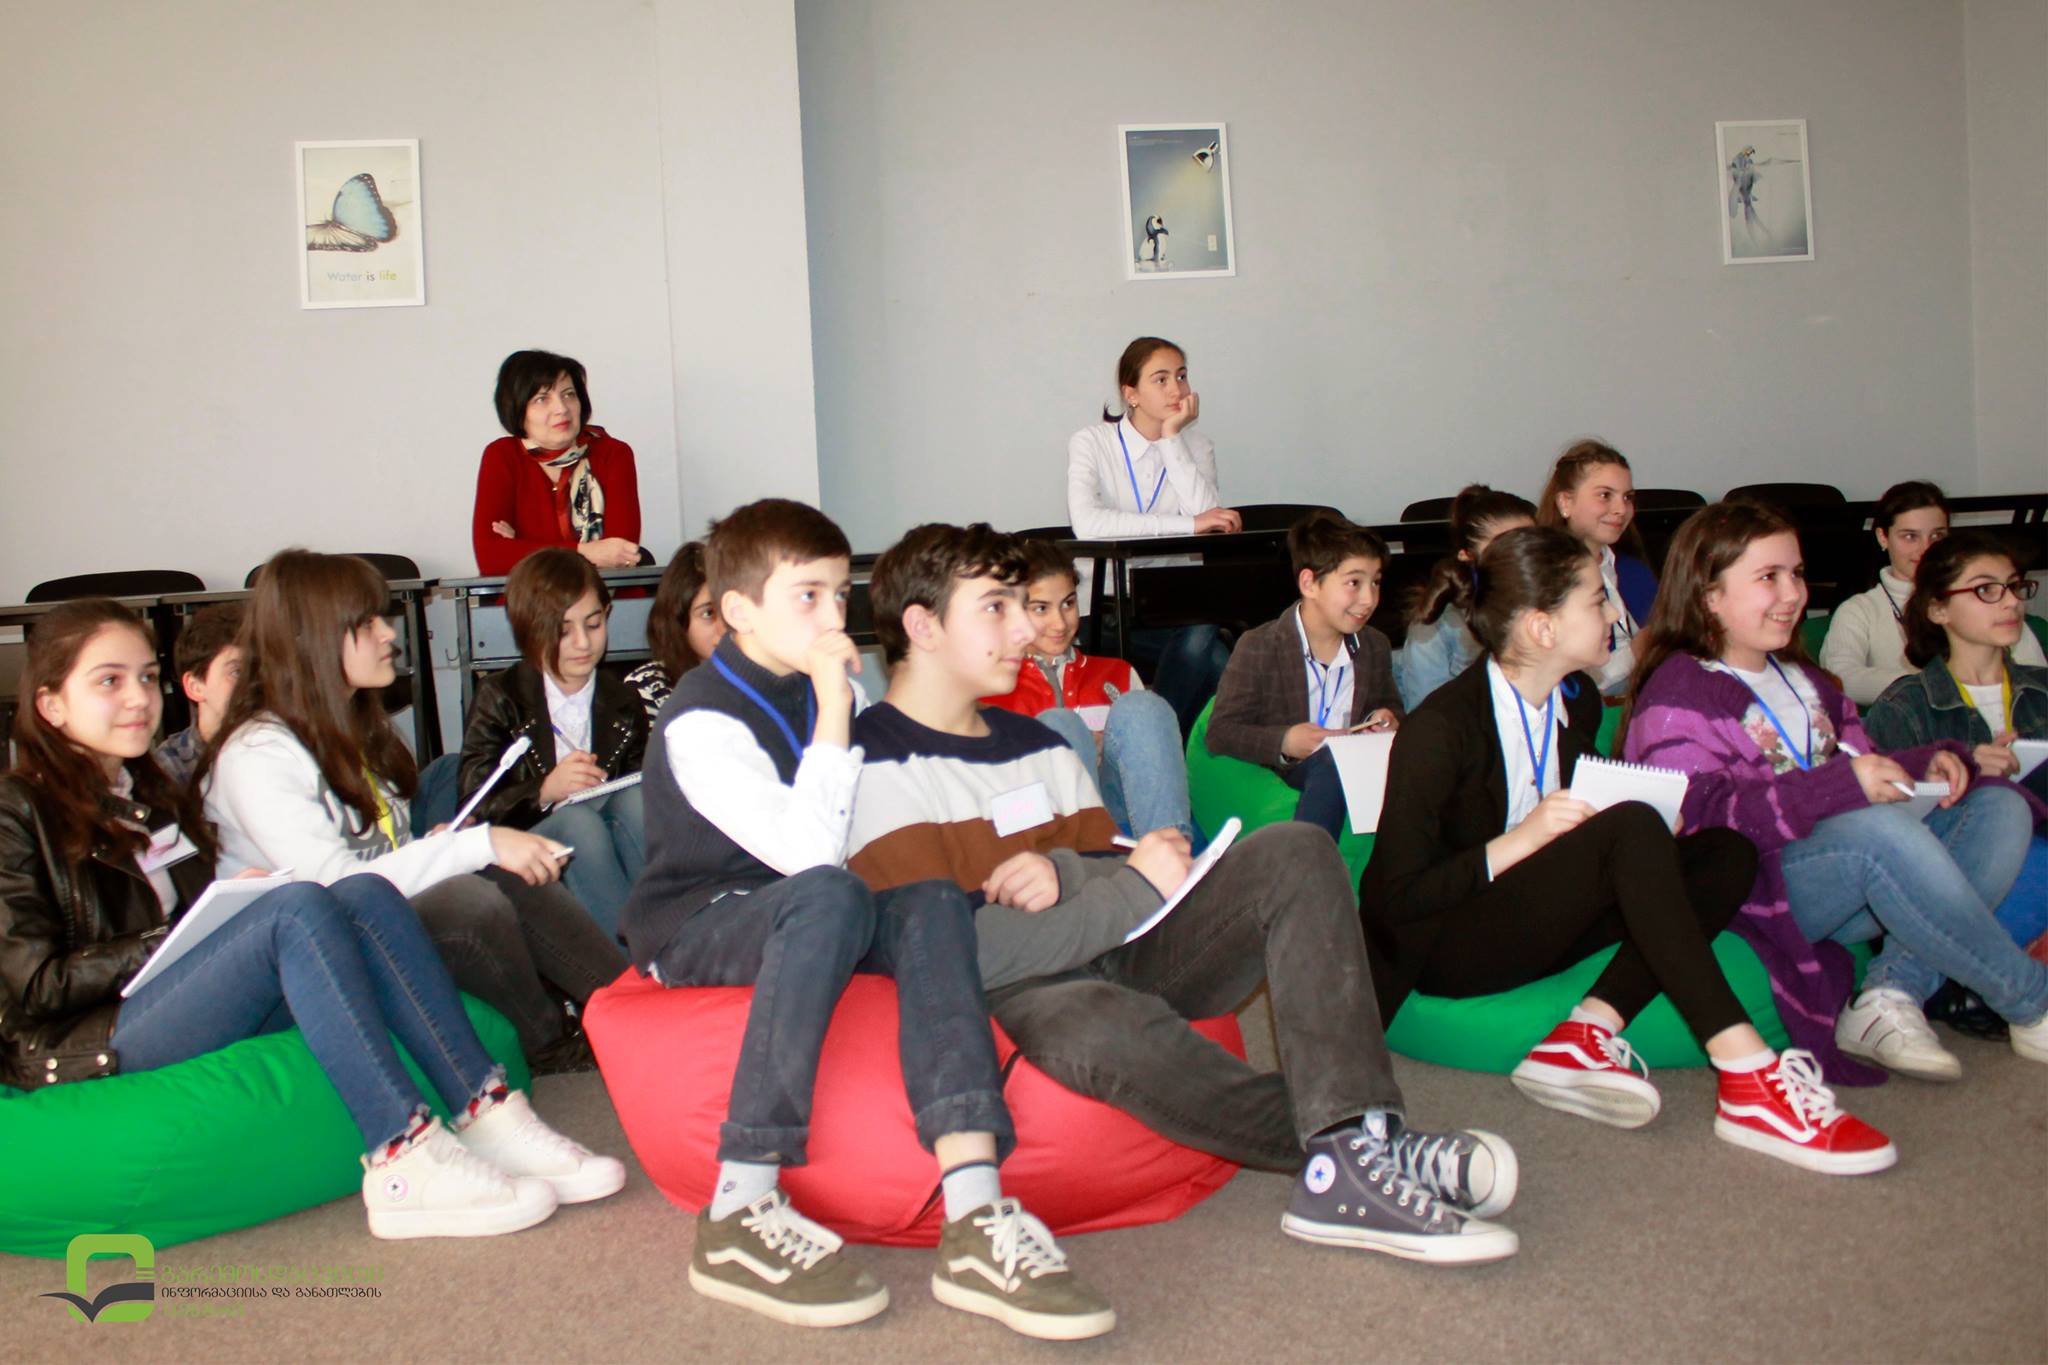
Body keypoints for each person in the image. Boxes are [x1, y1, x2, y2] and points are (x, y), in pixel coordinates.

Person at [849, 521, 1523, 1266]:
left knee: (1296, 848)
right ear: (923, 626)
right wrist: (1125, 888)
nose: (1026, 629)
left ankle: (1350, 1145)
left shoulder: (1037, 744)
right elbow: (956, 950)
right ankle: (1362, 1147)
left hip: (1120, 945)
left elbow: (1108, 866)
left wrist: (1073, 874)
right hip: (1025, 988)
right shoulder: (870, 763)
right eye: (996, 608)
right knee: (1095, 1020)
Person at [615, 499, 1110, 1340]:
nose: (832, 617)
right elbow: (810, 857)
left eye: (839, 595)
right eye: (807, 595)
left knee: (930, 898)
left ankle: (973, 1208)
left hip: (810, 907)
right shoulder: (701, 718)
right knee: (832, 893)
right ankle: (738, 1205)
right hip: (701, 919)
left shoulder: (817, 691)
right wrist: (836, 707)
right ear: (739, 610)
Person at [0, 600, 622, 1238]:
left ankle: (486, 1113)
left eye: (145, 677)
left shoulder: (152, 791)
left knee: (362, 894)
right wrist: (180, 938)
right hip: (92, 1035)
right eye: (108, 681)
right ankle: (401, 1157)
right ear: (51, 704)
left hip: (172, 994)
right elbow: (36, 983)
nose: (138, 698)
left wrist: (220, 909)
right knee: (295, 907)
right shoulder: (17, 808)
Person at [1366, 527, 1891, 1172]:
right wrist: (1521, 841)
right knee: (1635, 829)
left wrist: (1642, 823)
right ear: (1542, 628)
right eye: (1597, 600)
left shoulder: (1579, 701)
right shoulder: (1440, 729)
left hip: (1537, 912)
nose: (1616, 610)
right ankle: (1748, 1074)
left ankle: (1585, 1033)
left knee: (1724, 852)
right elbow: (1395, 899)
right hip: (1451, 944)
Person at [1622, 501, 2047, 1084]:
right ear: (1709, 594)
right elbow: (1700, 823)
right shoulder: (1681, 690)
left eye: (1796, 573)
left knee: (1999, 803)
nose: (1793, 593)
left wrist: (1926, 762)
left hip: (1846, 877)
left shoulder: (1807, 680)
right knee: (1874, 831)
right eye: (1768, 577)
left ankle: (1890, 993)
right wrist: (1842, 786)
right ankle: (2032, 999)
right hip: (1759, 890)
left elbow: (1857, 763)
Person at [202, 550, 627, 1070]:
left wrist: (437, 847)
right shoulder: (257, 754)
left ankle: (630, 1004)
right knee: (469, 900)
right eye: (368, 624)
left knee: (503, 872)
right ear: (312, 639)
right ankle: (548, 1044)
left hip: (370, 921)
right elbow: (334, 885)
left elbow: (381, 855)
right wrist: (472, 845)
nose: (390, 634)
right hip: (307, 957)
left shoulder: (355, 730)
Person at [1865, 530, 2048, 992]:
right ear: (1938, 609)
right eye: (1987, 590)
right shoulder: (1905, 705)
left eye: (2014, 587)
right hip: (1959, 884)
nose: (2011, 602)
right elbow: (1886, 832)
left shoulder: (2044, 688)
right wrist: (1968, 778)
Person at [458, 549, 649, 939]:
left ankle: (672, 939)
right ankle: (629, 964)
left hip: (611, 842)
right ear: (530, 630)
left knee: (637, 801)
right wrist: (544, 791)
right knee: (579, 823)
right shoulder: (501, 696)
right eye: (563, 631)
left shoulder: (623, 700)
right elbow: (472, 808)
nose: (583, 642)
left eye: (594, 624)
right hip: (528, 844)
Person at [1065, 335, 1241, 736]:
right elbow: (1088, 524)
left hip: (1171, 608)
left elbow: (1210, 522)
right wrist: (1188, 525)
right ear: (1131, 394)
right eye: (1161, 379)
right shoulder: (1092, 442)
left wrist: (1172, 440)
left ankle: (1152, 739)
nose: (1176, 389)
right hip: (1104, 609)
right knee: (1217, 661)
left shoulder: (1197, 445)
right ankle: (1165, 743)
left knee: (1205, 629)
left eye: (1181, 376)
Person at [1207, 511, 1401, 841]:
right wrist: (1285, 741)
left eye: (1376, 582)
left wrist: (1385, 719)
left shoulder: (1374, 645)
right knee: (1331, 762)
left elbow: (1392, 708)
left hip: (1358, 766)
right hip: (1292, 771)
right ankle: (1305, 862)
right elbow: (1220, 732)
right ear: (1309, 583)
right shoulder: (1261, 645)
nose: (1369, 599)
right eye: (1354, 583)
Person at [979, 539, 1192, 840]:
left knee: (1143, 706)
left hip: (1122, 813)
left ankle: (1171, 848)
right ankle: (1081, 859)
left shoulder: (1117, 673)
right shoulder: (989, 692)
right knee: (1061, 727)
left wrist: (1108, 750)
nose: (1060, 623)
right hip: (1039, 832)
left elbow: (1153, 767)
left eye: (1068, 604)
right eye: (1041, 609)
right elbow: (984, 800)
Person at [1820, 481, 2046, 706]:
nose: (1926, 548)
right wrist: (1936, 686)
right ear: (1883, 537)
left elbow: (2036, 676)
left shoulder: (1988, 601)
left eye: (1937, 536)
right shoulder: (1859, 610)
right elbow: (1841, 678)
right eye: (1910, 536)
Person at [471, 349, 644, 575]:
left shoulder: (613, 454)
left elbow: (621, 554)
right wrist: (587, 552)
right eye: (542, 399)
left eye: (569, 394)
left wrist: (522, 549)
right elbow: (490, 557)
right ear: (518, 409)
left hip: (607, 593)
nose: (562, 408)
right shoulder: (502, 456)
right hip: (530, 596)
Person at [1393, 485, 1535, 710]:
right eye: (1504, 547)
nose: (1520, 556)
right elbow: (1426, 716)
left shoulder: (1551, 606)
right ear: (1466, 555)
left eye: (1531, 545)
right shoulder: (1435, 625)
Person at [1536, 440, 1654, 696]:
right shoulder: (1543, 579)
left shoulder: (1635, 571)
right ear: (1565, 502)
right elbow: (1565, 685)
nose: (1621, 509)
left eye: (1627, 497)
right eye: (1605, 495)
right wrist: (1636, 652)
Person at [625, 541, 724, 721]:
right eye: (708, 613)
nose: (723, 627)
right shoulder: (648, 689)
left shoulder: (760, 676)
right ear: (678, 620)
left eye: (728, 611)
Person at [155, 603, 243, 787]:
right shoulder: (168, 766)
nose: (255, 683)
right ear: (195, 687)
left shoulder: (287, 750)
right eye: (237, 672)